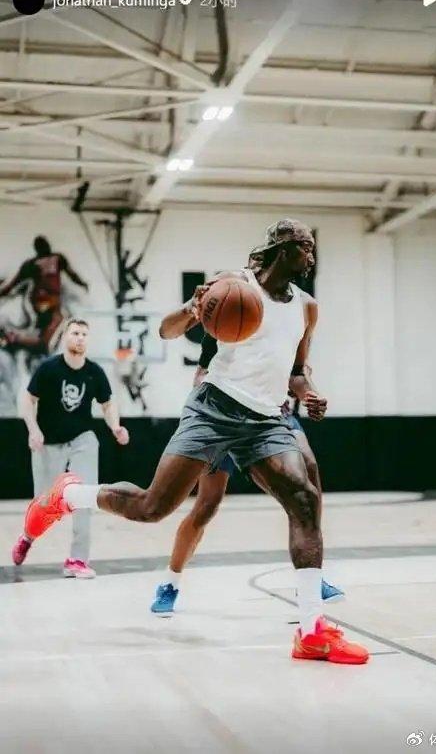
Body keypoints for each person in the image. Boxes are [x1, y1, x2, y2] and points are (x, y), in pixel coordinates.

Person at [21, 219, 369, 664]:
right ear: (283, 249)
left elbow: (297, 371)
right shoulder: (233, 285)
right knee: (153, 507)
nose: (312, 255)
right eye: (306, 247)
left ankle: (312, 631)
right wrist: (192, 308)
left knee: (304, 497)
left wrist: (310, 393)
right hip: (213, 410)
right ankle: (70, 495)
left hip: (265, 418)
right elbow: (166, 331)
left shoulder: (306, 307)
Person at [150, 331, 344, 616]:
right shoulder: (228, 323)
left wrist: (308, 392)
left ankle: (311, 579)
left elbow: (299, 375)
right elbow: (201, 375)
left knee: (308, 475)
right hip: (223, 419)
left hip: (272, 418)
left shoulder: (290, 322)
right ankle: (170, 582)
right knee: (206, 506)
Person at [12, 318, 130, 578]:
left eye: (84, 334)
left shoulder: (94, 372)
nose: (80, 338)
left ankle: (77, 560)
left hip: (82, 440)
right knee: (43, 504)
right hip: (49, 442)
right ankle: (28, 537)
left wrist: (115, 426)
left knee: (85, 497)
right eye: (75, 333)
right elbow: (28, 400)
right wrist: (33, 430)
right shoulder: (48, 368)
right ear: (65, 336)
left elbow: (108, 403)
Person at [0, 235, 88, 353]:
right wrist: (81, 283)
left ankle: (31, 343)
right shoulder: (48, 260)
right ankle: (23, 341)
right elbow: (72, 274)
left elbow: (13, 283)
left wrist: (81, 282)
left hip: (44, 299)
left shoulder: (42, 261)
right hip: (45, 299)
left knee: (52, 325)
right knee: (56, 321)